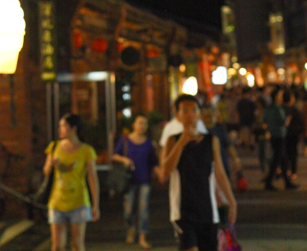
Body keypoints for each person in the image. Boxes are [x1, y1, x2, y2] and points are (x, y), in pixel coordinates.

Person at [161, 94, 237, 251]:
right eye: (185, 111)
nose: (190, 115)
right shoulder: (173, 141)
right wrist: (182, 142)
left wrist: (231, 201)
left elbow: (220, 173)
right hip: (182, 211)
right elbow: (165, 171)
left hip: (207, 210)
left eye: (194, 110)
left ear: (199, 113)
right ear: (177, 115)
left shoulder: (211, 141)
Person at [42, 113, 100, 251]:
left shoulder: (86, 150)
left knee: (77, 244)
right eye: (59, 126)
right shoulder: (54, 147)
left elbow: (92, 178)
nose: (60, 129)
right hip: (57, 201)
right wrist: (51, 164)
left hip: (79, 201)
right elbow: (46, 171)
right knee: (57, 246)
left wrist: (95, 204)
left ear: (74, 128)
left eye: (63, 126)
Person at [112, 113, 161, 250]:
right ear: (133, 125)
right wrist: (124, 160)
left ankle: (142, 237)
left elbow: (154, 162)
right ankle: (130, 229)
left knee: (143, 209)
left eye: (144, 123)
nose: (142, 126)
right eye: (139, 123)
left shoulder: (149, 143)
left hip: (145, 179)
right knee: (128, 209)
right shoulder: (125, 140)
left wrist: (161, 174)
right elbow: (115, 155)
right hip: (129, 180)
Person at [264, 87, 298, 191]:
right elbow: (283, 122)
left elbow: (265, 120)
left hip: (273, 135)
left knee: (282, 159)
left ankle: (286, 182)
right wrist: (288, 119)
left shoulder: (269, 108)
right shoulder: (278, 109)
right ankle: (269, 181)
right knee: (277, 159)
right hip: (279, 135)